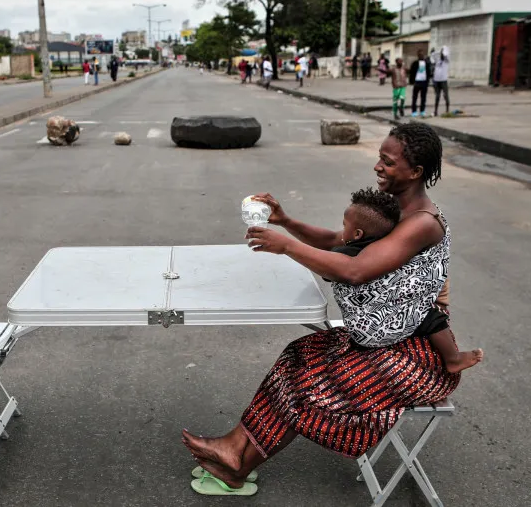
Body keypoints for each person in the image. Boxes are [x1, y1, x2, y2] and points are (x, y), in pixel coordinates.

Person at [182, 122, 469, 495]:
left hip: (417, 353)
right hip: (384, 337)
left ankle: (238, 461)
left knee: (313, 384)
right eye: (379, 158)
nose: (378, 167)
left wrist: (285, 246)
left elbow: (355, 269)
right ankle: (235, 450)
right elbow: (339, 242)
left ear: (415, 172)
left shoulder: (421, 224)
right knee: (297, 355)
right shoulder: (390, 211)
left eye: (388, 162)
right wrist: (285, 221)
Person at [328, 187, 482, 372]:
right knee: (430, 315)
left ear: (358, 234)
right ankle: (453, 358)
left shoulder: (347, 253)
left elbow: (337, 267)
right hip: (382, 324)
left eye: (344, 226)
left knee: (425, 312)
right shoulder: (381, 249)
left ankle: (452, 359)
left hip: (364, 329)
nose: (379, 167)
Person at [409, 49, 432, 117]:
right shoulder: (415, 63)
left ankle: (422, 111)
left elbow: (428, 72)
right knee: (415, 97)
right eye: (420, 54)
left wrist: (428, 81)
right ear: (418, 55)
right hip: (417, 82)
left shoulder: (426, 63)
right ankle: (414, 111)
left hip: (424, 82)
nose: (421, 55)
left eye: (422, 54)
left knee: (423, 97)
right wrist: (411, 81)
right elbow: (412, 73)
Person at [432, 46, 450, 116]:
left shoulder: (446, 60)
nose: (442, 54)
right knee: (437, 96)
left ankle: (447, 110)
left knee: (446, 95)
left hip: (443, 80)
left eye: (443, 52)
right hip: (436, 80)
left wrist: (443, 52)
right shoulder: (438, 59)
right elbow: (432, 56)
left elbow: (445, 55)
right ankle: (435, 111)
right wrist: (437, 51)